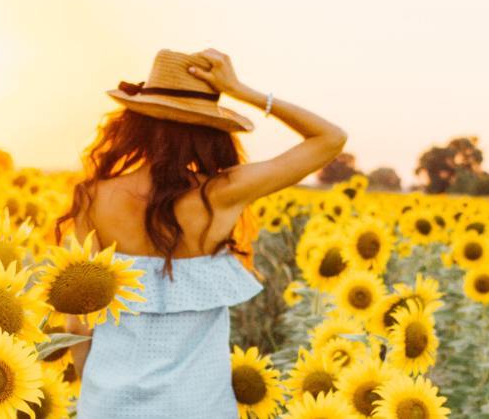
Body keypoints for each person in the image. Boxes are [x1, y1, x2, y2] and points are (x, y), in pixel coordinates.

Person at [58, 48, 347, 418]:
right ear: (210, 130)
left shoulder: (93, 197)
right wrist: (243, 91)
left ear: (137, 122)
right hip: (198, 407)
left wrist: (93, 389)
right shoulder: (223, 194)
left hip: (111, 404)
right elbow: (330, 138)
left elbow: (79, 318)